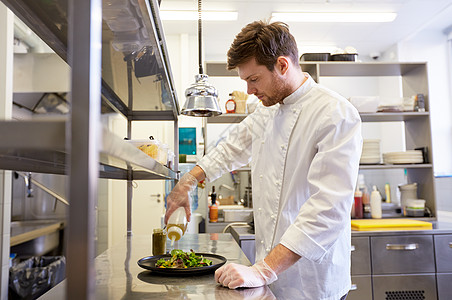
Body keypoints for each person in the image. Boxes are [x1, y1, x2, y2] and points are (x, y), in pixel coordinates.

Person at [165, 20, 362, 300]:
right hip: (267, 278)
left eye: (253, 79)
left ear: (282, 65)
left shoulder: (335, 114)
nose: (248, 90)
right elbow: (231, 148)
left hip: (312, 282)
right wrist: (186, 182)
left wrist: (263, 270)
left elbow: (328, 210)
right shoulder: (266, 111)